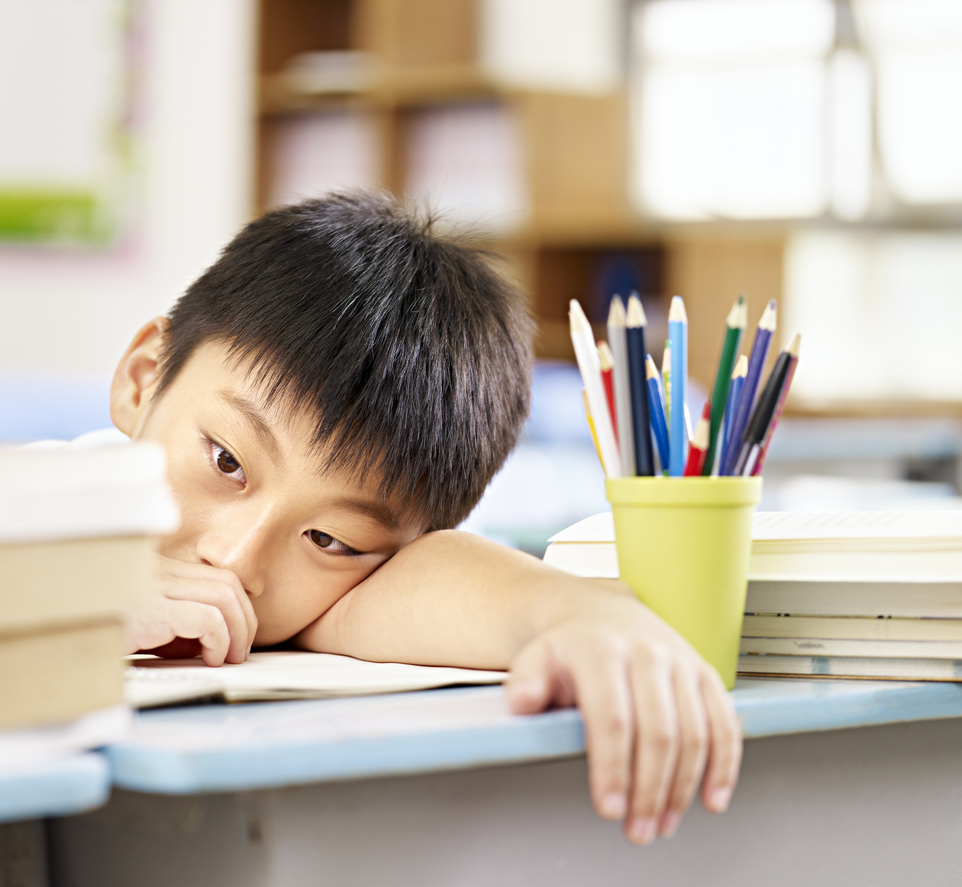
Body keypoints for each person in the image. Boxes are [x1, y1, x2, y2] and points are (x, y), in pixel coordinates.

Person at [109, 192, 741, 846]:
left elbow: (431, 582)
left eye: (330, 538)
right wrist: (72, 606)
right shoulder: (15, 509)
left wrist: (578, 612)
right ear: (143, 378)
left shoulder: (324, 592)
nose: (236, 560)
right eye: (225, 461)